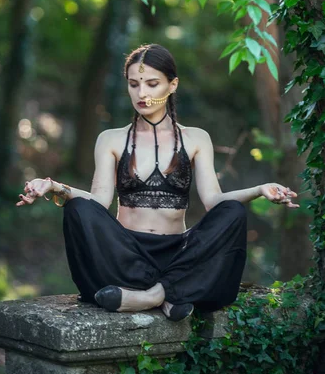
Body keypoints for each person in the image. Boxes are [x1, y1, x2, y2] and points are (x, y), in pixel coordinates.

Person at [16, 43, 299, 321]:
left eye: (152, 84)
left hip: (178, 254)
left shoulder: (196, 138)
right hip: (126, 255)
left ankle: (151, 295)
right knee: (78, 209)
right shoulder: (111, 139)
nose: (142, 93)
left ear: (172, 85)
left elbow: (214, 201)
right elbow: (99, 201)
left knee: (233, 213)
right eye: (134, 84)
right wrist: (55, 187)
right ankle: (172, 294)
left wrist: (260, 190)